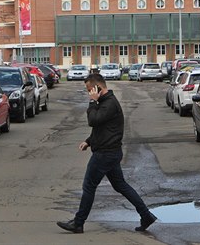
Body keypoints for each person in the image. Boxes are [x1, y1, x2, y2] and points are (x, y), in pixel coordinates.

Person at [57, 73, 157, 234]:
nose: (88, 93)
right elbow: (102, 128)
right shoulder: (104, 103)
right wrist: (89, 141)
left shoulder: (108, 103)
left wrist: (92, 101)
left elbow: (93, 120)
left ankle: (78, 223)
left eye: (90, 90)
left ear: (98, 88)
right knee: (120, 185)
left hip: (105, 154)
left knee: (89, 186)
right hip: (109, 152)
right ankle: (146, 215)